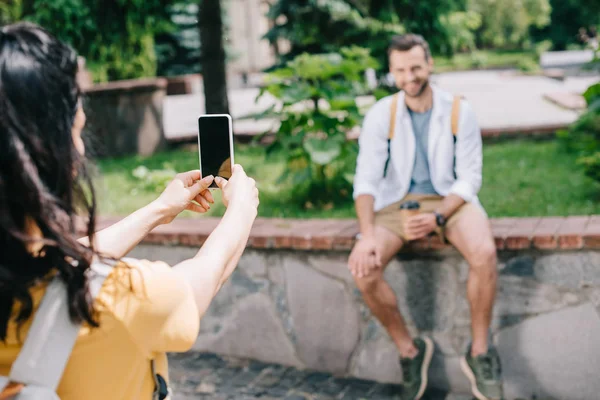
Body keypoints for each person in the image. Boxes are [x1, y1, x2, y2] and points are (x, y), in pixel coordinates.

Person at [0, 22, 259, 399]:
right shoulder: (120, 300)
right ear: (47, 153)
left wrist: (159, 209)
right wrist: (242, 210)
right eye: (76, 131)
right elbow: (200, 281)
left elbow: (70, 258)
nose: (81, 152)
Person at [349, 34, 503, 400]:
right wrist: (367, 235)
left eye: (416, 67)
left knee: (484, 254)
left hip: (450, 200)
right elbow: (366, 180)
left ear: (429, 64)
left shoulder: (458, 110)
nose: (410, 77)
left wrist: (437, 218)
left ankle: (479, 352)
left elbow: (470, 177)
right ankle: (409, 350)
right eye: (401, 70)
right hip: (396, 202)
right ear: (392, 72)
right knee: (364, 269)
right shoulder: (380, 114)